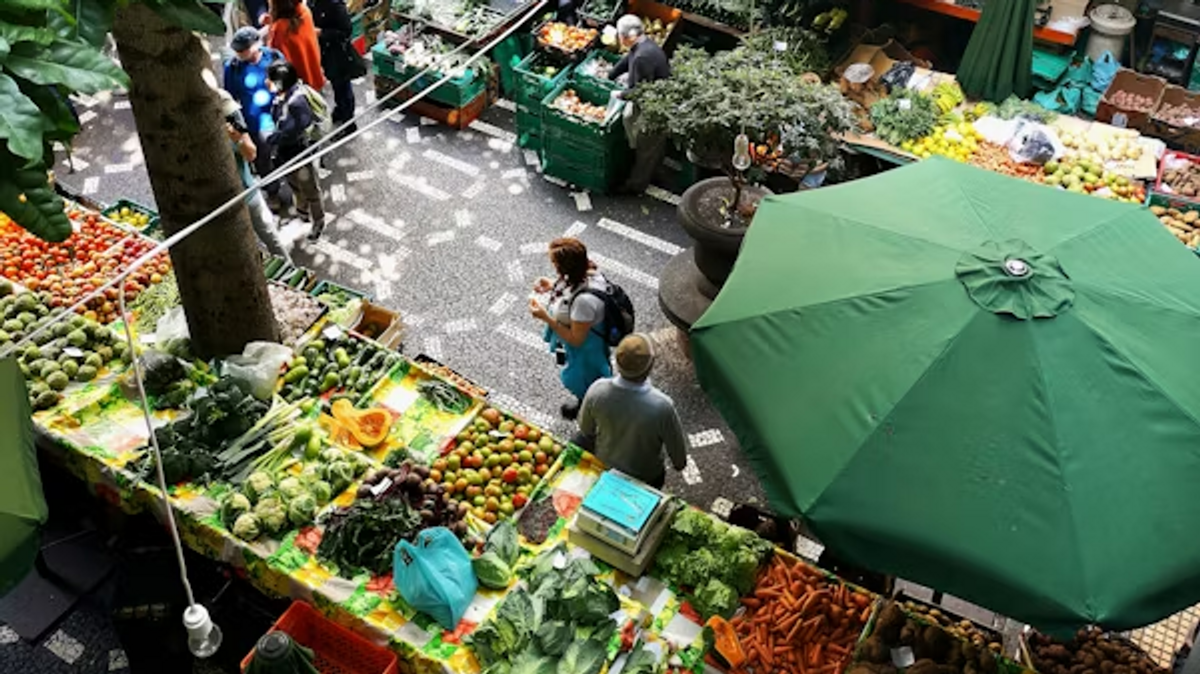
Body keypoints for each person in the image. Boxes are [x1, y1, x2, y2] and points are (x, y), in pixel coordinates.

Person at [576, 334, 687, 489]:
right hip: (646, 478)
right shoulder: (662, 406)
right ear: (650, 365)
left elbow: (585, 429)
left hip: (606, 468)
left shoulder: (597, 390)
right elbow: (679, 461)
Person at [528, 238, 613, 420]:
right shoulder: (590, 273)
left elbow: (576, 338)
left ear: (565, 268)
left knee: (582, 379)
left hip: (586, 349)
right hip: (591, 341)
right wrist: (551, 286)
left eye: (554, 263)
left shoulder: (583, 303)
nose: (553, 266)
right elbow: (571, 290)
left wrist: (546, 318)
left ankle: (588, 406)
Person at [218, 90, 293, 262]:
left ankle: (289, 271)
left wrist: (237, 139)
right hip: (222, 203)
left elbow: (251, 154)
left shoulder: (232, 118)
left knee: (270, 236)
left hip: (247, 191)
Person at [608, 15, 670, 194]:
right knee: (629, 119)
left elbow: (639, 91)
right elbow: (629, 59)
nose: (618, 38)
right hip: (649, 100)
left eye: (620, 35)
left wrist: (619, 94)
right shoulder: (644, 44)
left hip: (655, 107)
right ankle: (652, 164)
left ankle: (636, 185)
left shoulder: (643, 57)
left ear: (628, 37)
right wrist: (611, 74)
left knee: (647, 145)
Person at [266, 61, 327, 241]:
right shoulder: (283, 96)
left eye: (271, 79)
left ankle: (318, 220)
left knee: (310, 189)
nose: (267, 82)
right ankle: (302, 211)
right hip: (287, 153)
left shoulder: (296, 102)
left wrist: (276, 137)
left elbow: (298, 127)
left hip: (299, 152)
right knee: (294, 184)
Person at [224, 27, 285, 199]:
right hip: (255, 124)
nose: (240, 54)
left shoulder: (273, 56)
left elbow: (286, 80)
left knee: (286, 149)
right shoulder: (232, 68)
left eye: (244, 50)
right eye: (237, 50)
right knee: (262, 159)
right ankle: (272, 191)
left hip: (279, 116)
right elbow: (230, 99)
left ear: (257, 44)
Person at [310, 0, 366, 129]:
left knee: (343, 87)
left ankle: (349, 123)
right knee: (336, 85)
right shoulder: (312, 3)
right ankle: (340, 110)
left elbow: (346, 31)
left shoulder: (335, 5)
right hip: (326, 53)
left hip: (338, 55)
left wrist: (322, 33)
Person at [264, 0, 327, 91]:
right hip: (313, 74)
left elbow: (275, 59)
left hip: (297, 86)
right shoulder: (305, 12)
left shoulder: (279, 28)